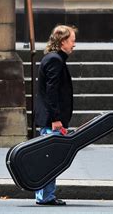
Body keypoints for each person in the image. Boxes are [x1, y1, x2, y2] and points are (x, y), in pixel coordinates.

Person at [34, 25, 77, 206]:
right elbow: (51, 93)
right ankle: (45, 196)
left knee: (49, 158)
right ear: (62, 41)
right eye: (72, 41)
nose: (74, 45)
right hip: (52, 120)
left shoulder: (54, 58)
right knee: (50, 159)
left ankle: (45, 195)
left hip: (51, 118)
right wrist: (56, 119)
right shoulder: (55, 60)